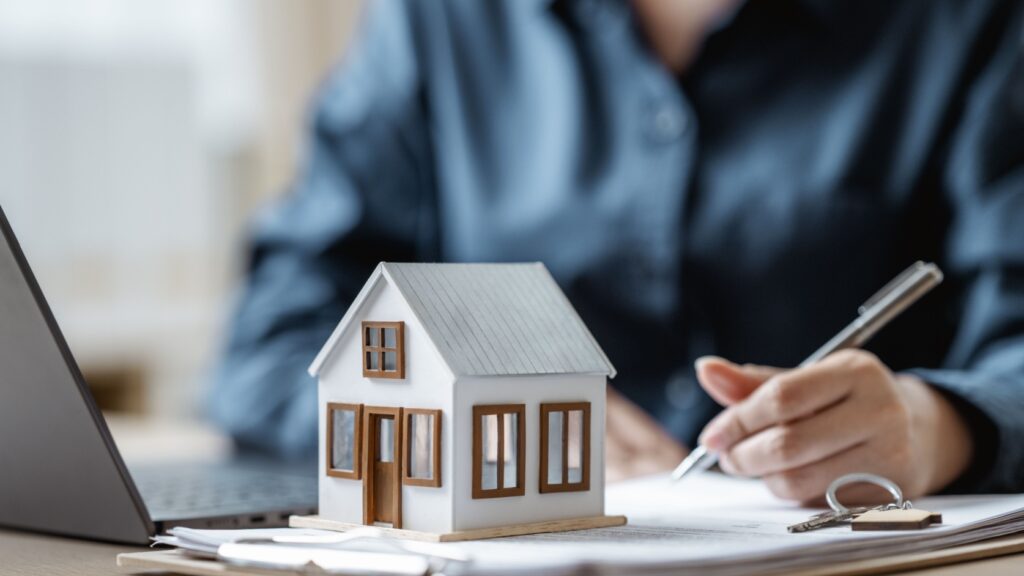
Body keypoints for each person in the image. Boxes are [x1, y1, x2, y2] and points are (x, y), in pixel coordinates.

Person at [209, 0, 1024, 501]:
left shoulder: (969, 21)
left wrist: (940, 424)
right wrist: (436, 425)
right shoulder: (438, 20)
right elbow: (273, 339)